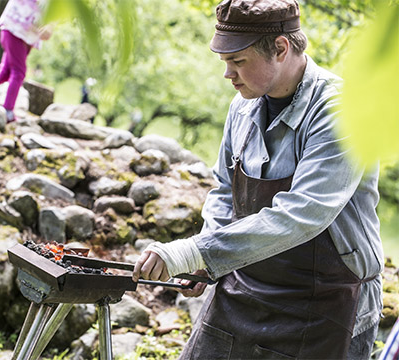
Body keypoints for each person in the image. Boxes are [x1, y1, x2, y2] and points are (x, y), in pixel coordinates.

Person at [132, 1, 381, 358]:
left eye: (238, 61)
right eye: (225, 63)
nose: (228, 75)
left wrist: (191, 251)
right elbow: (223, 191)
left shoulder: (341, 112)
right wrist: (204, 257)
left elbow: (302, 213)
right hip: (243, 286)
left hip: (324, 304)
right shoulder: (242, 106)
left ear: (280, 48)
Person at [0, 0, 51, 123]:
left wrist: (49, 27)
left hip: (23, 34)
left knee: (6, 71)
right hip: (15, 30)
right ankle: (8, 110)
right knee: (19, 72)